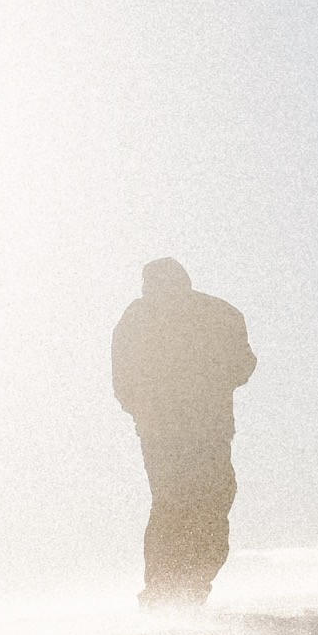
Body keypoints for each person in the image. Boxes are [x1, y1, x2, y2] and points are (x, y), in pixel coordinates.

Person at [109, 258, 256, 608]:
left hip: (196, 429)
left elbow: (243, 364)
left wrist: (199, 385)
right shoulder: (210, 312)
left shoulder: (212, 313)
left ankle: (182, 589)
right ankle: (170, 591)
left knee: (198, 502)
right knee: (186, 503)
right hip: (182, 431)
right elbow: (124, 383)